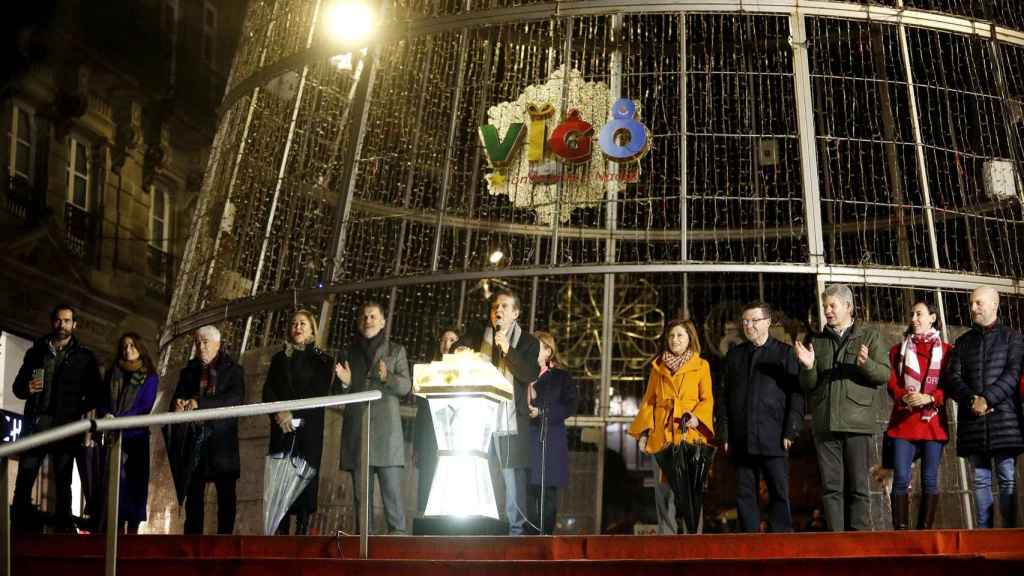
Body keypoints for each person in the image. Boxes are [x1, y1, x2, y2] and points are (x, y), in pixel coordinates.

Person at [794, 284, 890, 531]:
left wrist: (866, 364)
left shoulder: (869, 336)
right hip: (825, 424)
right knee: (831, 487)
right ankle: (836, 539)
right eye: (825, 306)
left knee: (858, 486)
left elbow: (884, 375)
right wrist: (807, 367)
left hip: (857, 422)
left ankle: (859, 540)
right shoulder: (816, 340)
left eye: (832, 305)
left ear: (848, 307)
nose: (827, 310)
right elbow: (809, 386)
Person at [11, 304, 105, 532]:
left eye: (67, 321)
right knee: (25, 476)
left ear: (74, 324)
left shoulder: (85, 357)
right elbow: (17, 388)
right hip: (37, 423)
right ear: (52, 322)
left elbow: (97, 393)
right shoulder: (36, 352)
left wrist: (76, 409)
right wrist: (27, 389)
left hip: (65, 426)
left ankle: (64, 530)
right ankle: (18, 528)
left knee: (63, 480)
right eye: (58, 320)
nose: (62, 325)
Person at [455, 290, 540, 535]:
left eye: (504, 306)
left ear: (516, 313)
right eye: (494, 307)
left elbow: (528, 374)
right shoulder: (478, 335)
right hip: (480, 420)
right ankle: (481, 530)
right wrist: (461, 351)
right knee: (480, 475)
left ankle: (516, 532)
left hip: (510, 419)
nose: (498, 311)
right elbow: (459, 348)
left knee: (512, 479)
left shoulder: (528, 342)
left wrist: (507, 350)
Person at [943, 286, 1024, 528]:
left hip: (1004, 421)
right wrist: (972, 401)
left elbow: (1013, 374)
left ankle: (1010, 536)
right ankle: (983, 535)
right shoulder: (963, 342)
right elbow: (952, 379)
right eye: (971, 304)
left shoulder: (1013, 338)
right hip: (973, 421)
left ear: (994, 305)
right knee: (980, 480)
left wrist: (987, 399)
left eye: (978, 303)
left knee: (1007, 478)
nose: (973, 308)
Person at [721, 302, 804, 532]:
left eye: (754, 321)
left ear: (768, 322)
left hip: (774, 436)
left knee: (779, 492)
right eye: (745, 321)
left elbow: (796, 396)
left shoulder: (785, 353)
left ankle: (782, 544)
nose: (749, 326)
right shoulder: (735, 355)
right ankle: (749, 545)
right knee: (744, 494)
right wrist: (725, 433)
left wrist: (791, 430)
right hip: (741, 437)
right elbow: (724, 397)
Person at [628, 319, 715, 534]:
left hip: (689, 434)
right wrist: (645, 433)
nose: (675, 339)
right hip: (662, 436)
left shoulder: (701, 365)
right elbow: (649, 401)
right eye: (672, 336)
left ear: (690, 339)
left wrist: (697, 418)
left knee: (690, 492)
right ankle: (666, 540)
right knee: (664, 493)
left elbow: (707, 399)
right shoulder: (658, 367)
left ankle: (693, 540)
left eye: (680, 335)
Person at [336, 301, 411, 534]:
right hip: (358, 432)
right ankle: (364, 553)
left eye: (372, 316)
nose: (367, 320)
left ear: (382, 322)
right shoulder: (347, 352)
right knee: (361, 501)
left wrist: (388, 377)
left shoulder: (396, 351)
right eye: (364, 317)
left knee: (393, 500)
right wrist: (345, 383)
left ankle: (397, 549)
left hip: (387, 435)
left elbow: (406, 387)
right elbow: (336, 394)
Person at [262, 310, 335, 535]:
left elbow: (320, 393)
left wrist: (292, 412)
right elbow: (268, 390)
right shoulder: (279, 358)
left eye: (303, 323)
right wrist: (280, 412)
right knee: (280, 483)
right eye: (294, 323)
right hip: (282, 429)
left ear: (312, 329)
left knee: (304, 483)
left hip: (307, 430)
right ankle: (279, 533)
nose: (298, 327)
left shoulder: (323, 360)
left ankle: (302, 535)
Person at [172, 325, 245, 534]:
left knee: (226, 498)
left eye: (205, 342)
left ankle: (224, 545)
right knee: (194, 498)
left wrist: (200, 404)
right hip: (195, 442)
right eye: (197, 342)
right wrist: (177, 405)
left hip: (222, 441)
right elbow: (177, 397)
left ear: (218, 345)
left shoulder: (234, 370)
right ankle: (192, 545)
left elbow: (235, 399)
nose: (200, 347)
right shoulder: (188, 371)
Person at [885, 302, 951, 530]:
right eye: (912, 313)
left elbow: (949, 384)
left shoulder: (946, 350)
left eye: (919, 314)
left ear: (932, 317)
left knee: (930, 480)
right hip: (904, 422)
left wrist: (930, 398)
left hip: (932, 424)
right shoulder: (897, 350)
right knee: (901, 477)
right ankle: (901, 533)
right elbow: (892, 381)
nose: (914, 318)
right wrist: (904, 396)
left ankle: (924, 533)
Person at [103, 333, 159, 534]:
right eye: (124, 346)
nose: (128, 350)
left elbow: (145, 406)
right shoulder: (113, 373)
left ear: (140, 348)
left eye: (132, 346)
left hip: (136, 437)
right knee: (115, 485)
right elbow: (104, 399)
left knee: (135, 484)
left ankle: (133, 531)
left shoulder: (149, 376)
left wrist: (120, 420)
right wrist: (107, 414)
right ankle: (115, 529)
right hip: (113, 437)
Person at [526, 331, 578, 535]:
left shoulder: (561, 377)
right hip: (526, 439)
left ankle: (545, 538)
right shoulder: (520, 374)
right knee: (527, 493)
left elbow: (570, 405)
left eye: (535, 347)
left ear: (548, 351)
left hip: (549, 440)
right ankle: (527, 539)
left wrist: (544, 413)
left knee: (547, 493)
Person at [413, 328, 459, 514]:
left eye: (453, 340)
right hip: (430, 433)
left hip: (455, 435)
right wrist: (417, 444)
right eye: (445, 339)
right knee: (427, 480)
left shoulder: (467, 371)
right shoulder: (429, 370)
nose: (448, 344)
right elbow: (421, 410)